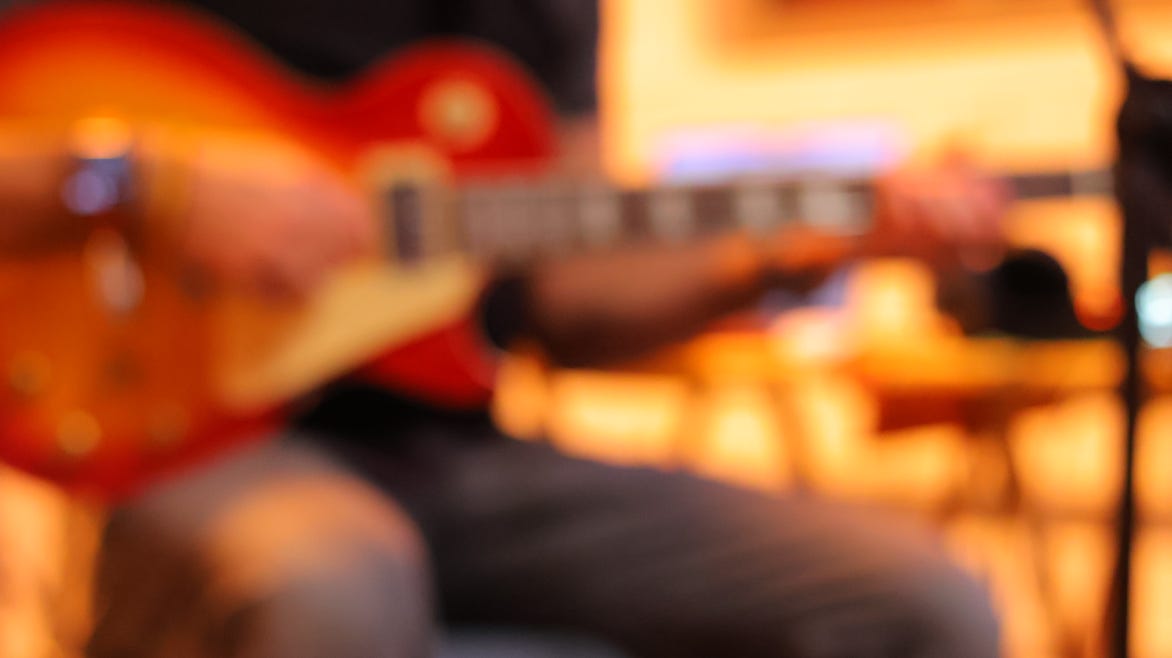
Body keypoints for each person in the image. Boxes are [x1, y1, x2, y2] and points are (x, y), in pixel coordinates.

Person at [0, 1, 1007, 656]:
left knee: (922, 600)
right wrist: (138, 183)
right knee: (331, 578)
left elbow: (571, 294)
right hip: (183, 439)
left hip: (457, 451)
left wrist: (787, 250)